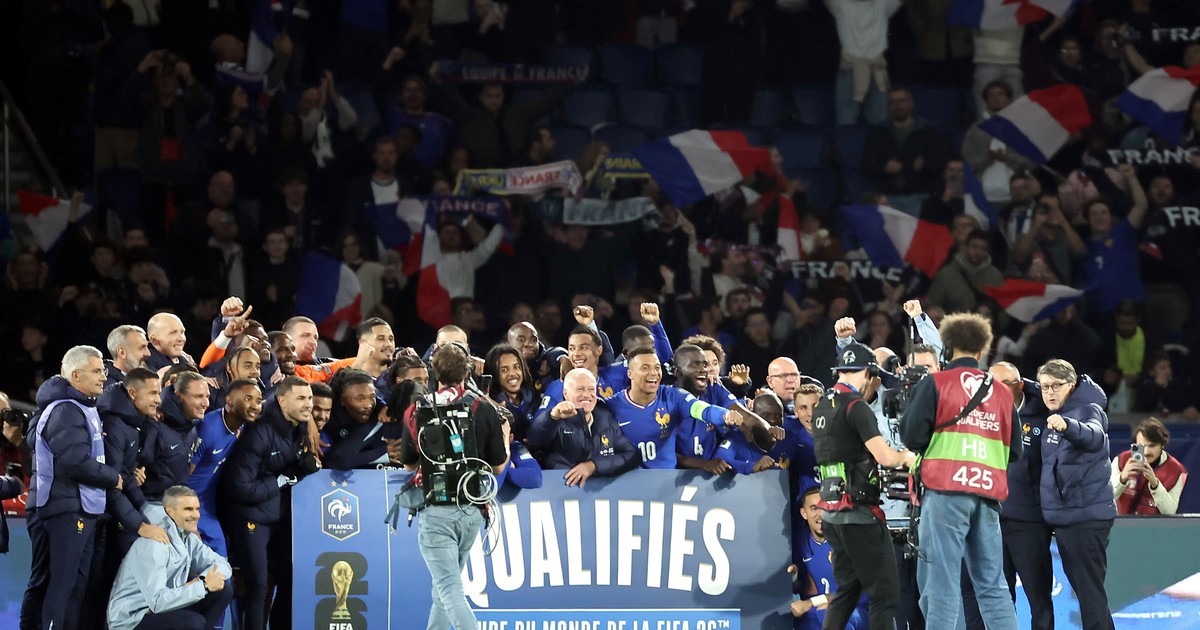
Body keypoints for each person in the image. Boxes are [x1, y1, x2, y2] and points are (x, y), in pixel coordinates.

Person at [900, 313, 1022, 629]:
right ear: (982, 350)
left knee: (942, 585)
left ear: (947, 347)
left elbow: (911, 437)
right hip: (987, 495)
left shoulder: (935, 383)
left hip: (945, 494)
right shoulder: (1002, 392)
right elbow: (1015, 451)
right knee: (993, 587)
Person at [399, 343, 511, 630]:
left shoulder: (416, 410)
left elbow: (409, 465)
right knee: (444, 589)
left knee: (448, 588)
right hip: (471, 510)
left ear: (434, 373)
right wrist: (506, 438)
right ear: (467, 372)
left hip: (436, 510)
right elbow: (498, 467)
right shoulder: (483, 407)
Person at [811, 340, 914, 630]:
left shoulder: (823, 405)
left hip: (831, 512)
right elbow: (886, 457)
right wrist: (906, 457)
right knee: (886, 593)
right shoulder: (857, 407)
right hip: (859, 514)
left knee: (847, 590)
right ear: (868, 373)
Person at [22, 346, 122, 630]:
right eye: (96, 371)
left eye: (103, 370)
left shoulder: (83, 406)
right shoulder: (65, 410)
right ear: (75, 375)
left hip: (79, 505)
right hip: (65, 505)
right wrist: (112, 476)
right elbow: (74, 462)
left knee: (74, 585)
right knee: (61, 585)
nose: (103, 377)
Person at [219, 376, 319, 630]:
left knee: (287, 580)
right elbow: (239, 486)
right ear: (282, 401)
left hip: (276, 516)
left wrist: (302, 465)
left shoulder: (298, 426)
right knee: (258, 586)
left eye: (309, 398)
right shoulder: (260, 432)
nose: (308, 404)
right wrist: (283, 479)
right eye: (301, 398)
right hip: (249, 517)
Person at [1036, 359, 1116, 630]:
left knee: (1090, 593)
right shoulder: (1059, 407)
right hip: (1070, 517)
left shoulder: (1086, 409)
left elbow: (1094, 436)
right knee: (1088, 592)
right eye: (1045, 387)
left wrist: (1068, 426)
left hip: (1085, 518)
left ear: (1071, 385)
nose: (1049, 392)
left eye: (1056, 386)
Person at [106, 485, 232, 630]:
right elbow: (157, 602)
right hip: (133, 618)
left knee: (222, 592)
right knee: (194, 623)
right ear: (170, 512)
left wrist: (202, 581)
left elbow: (223, 564)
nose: (196, 515)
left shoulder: (188, 538)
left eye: (197, 509)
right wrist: (203, 586)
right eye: (188, 509)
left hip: (165, 607)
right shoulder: (154, 544)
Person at [990, 361, 1054, 630]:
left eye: (1001, 384)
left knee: (1039, 597)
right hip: (992, 521)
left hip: (1029, 523)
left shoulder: (1042, 415)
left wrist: (1030, 385)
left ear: (1019, 386)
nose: (993, 390)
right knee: (1000, 599)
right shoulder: (982, 416)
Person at [607, 347, 743, 469]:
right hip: (629, 482)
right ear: (630, 374)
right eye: (645, 368)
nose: (653, 372)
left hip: (667, 481)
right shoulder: (611, 406)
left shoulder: (673, 396)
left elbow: (702, 410)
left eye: (657, 367)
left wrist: (725, 415)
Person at [187, 378, 262, 556]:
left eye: (258, 401)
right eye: (248, 399)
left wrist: (310, 424)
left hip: (209, 502)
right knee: (212, 554)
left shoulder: (244, 424)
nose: (255, 405)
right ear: (229, 400)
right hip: (192, 501)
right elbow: (184, 475)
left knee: (220, 556)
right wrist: (187, 515)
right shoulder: (208, 429)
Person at [528, 368, 640, 485]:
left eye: (591, 389)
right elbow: (535, 439)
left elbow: (630, 455)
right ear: (566, 394)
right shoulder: (555, 419)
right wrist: (552, 417)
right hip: (562, 489)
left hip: (600, 491)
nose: (586, 394)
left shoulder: (605, 418)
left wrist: (593, 466)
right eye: (580, 389)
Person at [790, 486, 868, 629]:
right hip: (815, 611)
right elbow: (800, 587)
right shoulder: (800, 543)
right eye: (814, 508)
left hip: (854, 609)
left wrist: (811, 602)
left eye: (824, 507)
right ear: (804, 513)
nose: (820, 514)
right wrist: (794, 576)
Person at [1111, 418, 1187, 516]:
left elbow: (1169, 512)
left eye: (1152, 446)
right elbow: (1107, 499)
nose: (1146, 452)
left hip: (1153, 524)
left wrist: (1155, 484)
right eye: (1141, 446)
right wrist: (1122, 479)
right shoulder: (1121, 461)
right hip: (1121, 522)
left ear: (1162, 445)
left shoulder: (1176, 471)